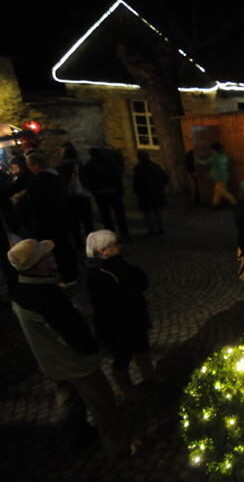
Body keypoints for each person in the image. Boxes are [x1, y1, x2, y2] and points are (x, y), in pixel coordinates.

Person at [8, 238, 132, 459]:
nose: (52, 257)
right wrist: (94, 347)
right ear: (37, 266)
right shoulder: (47, 297)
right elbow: (74, 335)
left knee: (68, 399)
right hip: (75, 363)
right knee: (102, 404)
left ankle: (78, 437)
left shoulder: (20, 288)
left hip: (50, 361)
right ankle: (118, 448)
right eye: (46, 257)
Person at [85, 230, 165, 400]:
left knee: (141, 345)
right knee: (122, 356)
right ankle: (126, 388)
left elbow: (142, 280)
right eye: (113, 245)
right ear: (101, 251)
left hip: (134, 315)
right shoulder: (96, 274)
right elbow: (110, 300)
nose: (118, 247)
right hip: (116, 324)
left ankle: (148, 372)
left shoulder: (120, 263)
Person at [26, 152, 78, 285]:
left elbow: (34, 206)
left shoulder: (37, 182)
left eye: (30, 165)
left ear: (35, 165)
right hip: (61, 218)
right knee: (65, 246)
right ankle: (73, 273)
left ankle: (67, 277)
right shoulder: (56, 178)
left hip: (48, 222)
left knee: (58, 250)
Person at [81, 147, 130, 238]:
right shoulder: (108, 163)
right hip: (112, 191)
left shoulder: (90, 165)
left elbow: (88, 180)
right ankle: (124, 233)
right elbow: (116, 176)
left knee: (106, 216)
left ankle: (111, 234)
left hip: (101, 193)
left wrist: (93, 191)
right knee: (119, 214)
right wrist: (120, 189)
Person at [56, 143, 94, 250]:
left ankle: (78, 245)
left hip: (69, 199)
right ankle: (91, 243)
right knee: (87, 222)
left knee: (74, 225)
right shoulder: (81, 166)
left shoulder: (60, 169)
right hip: (82, 197)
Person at [132, 151, 169, 236]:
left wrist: (138, 191)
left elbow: (136, 183)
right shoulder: (155, 166)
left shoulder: (139, 169)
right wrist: (160, 186)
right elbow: (165, 177)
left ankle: (152, 230)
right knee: (158, 212)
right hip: (156, 193)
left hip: (145, 195)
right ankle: (161, 229)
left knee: (148, 214)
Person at [196, 142, 237, 207]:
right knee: (217, 191)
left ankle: (234, 202)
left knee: (222, 191)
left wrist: (197, 160)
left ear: (214, 150)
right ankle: (215, 203)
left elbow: (205, 163)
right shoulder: (224, 156)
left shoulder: (215, 157)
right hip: (224, 176)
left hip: (219, 177)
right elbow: (227, 165)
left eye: (211, 149)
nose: (210, 151)